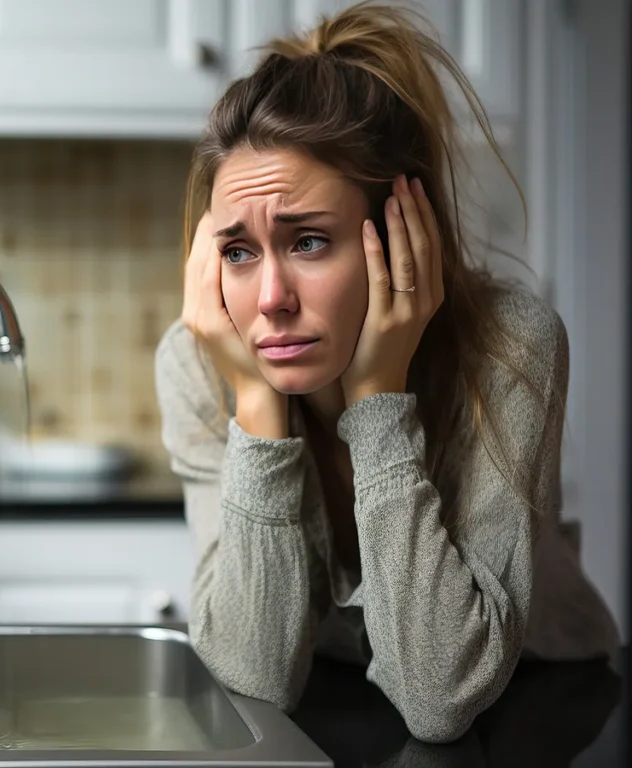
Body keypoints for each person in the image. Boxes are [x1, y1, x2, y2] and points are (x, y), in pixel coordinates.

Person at [154, 1, 621, 745]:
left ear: (404, 234)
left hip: (538, 707)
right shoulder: (200, 361)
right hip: (326, 703)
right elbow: (252, 684)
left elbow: (443, 699)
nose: (269, 299)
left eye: (308, 241)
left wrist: (376, 401)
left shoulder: (508, 347)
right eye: (239, 252)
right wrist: (256, 405)